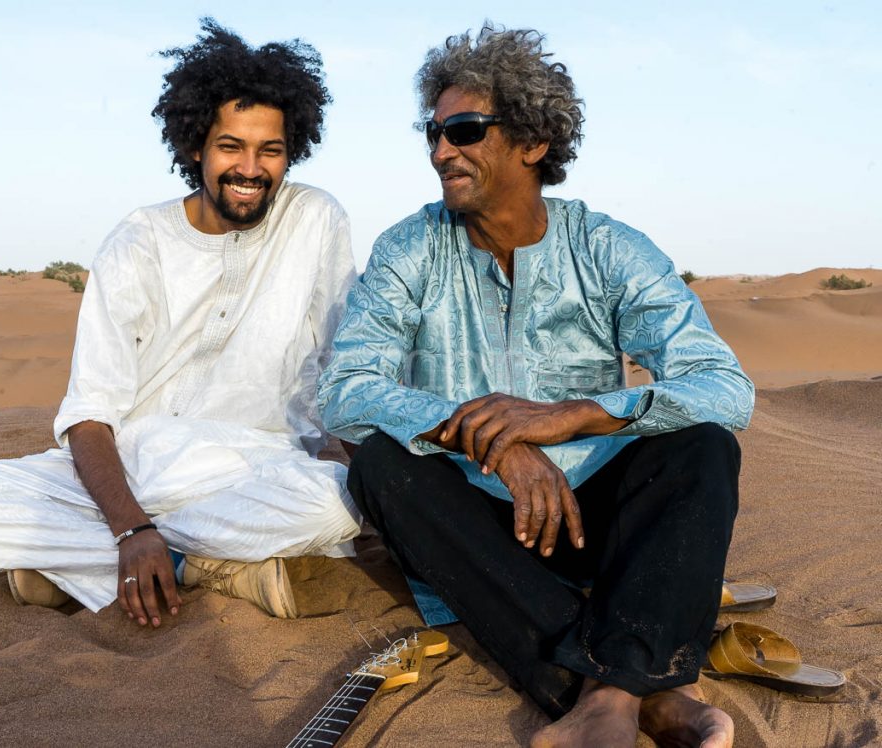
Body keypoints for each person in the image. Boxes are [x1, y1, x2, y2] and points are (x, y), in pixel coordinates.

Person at [318, 24, 753, 748]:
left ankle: (604, 699)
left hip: (600, 523)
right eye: (432, 132)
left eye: (463, 130)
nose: (439, 151)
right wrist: (491, 440)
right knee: (379, 466)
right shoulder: (410, 248)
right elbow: (346, 389)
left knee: (703, 446)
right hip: (480, 529)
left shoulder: (606, 249)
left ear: (533, 141)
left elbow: (724, 386)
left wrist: (574, 415)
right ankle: (637, 693)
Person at [0, 19, 360, 627]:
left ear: (291, 149)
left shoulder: (315, 219)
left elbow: (341, 360)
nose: (251, 167)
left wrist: (344, 455)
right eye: (230, 146)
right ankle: (197, 563)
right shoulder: (137, 242)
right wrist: (130, 522)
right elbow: (89, 413)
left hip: (260, 463)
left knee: (343, 501)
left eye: (269, 149)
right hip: (134, 463)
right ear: (195, 146)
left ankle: (69, 562)